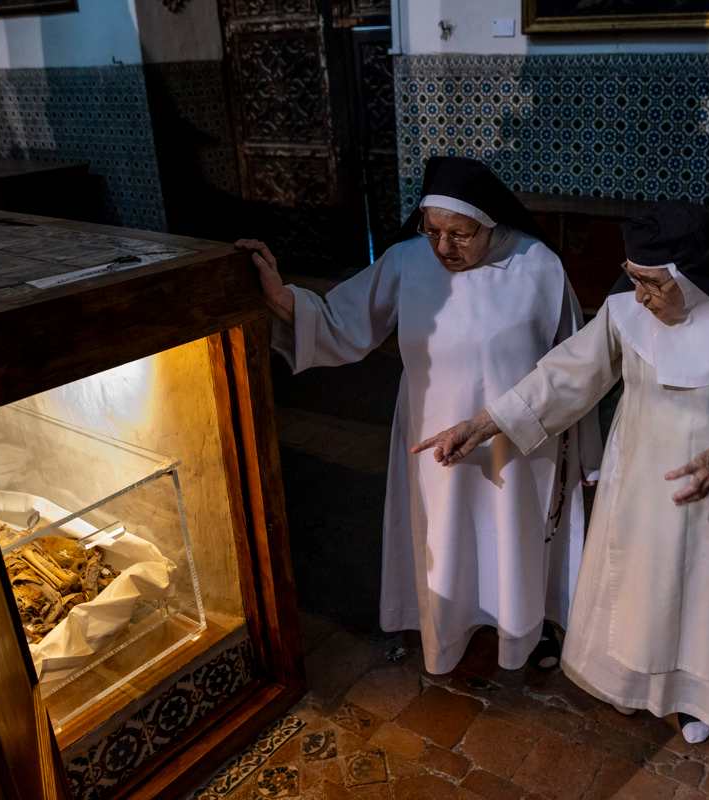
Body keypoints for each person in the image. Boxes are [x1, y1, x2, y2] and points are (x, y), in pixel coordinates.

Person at [413, 201, 709, 743]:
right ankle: (628, 686)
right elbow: (565, 376)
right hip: (635, 485)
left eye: (654, 284)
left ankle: (695, 701)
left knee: (703, 605)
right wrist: (485, 422)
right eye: (633, 280)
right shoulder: (629, 310)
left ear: (694, 276)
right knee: (633, 592)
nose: (641, 297)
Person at [235, 156, 600, 676]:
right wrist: (285, 300)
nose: (445, 249)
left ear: (490, 223)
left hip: (517, 443)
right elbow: (342, 321)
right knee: (446, 538)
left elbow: (572, 368)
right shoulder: (407, 262)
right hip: (434, 439)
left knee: (511, 538)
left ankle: (519, 634)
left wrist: (585, 454)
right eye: (433, 233)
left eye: (461, 234)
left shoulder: (538, 266)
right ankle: (449, 635)